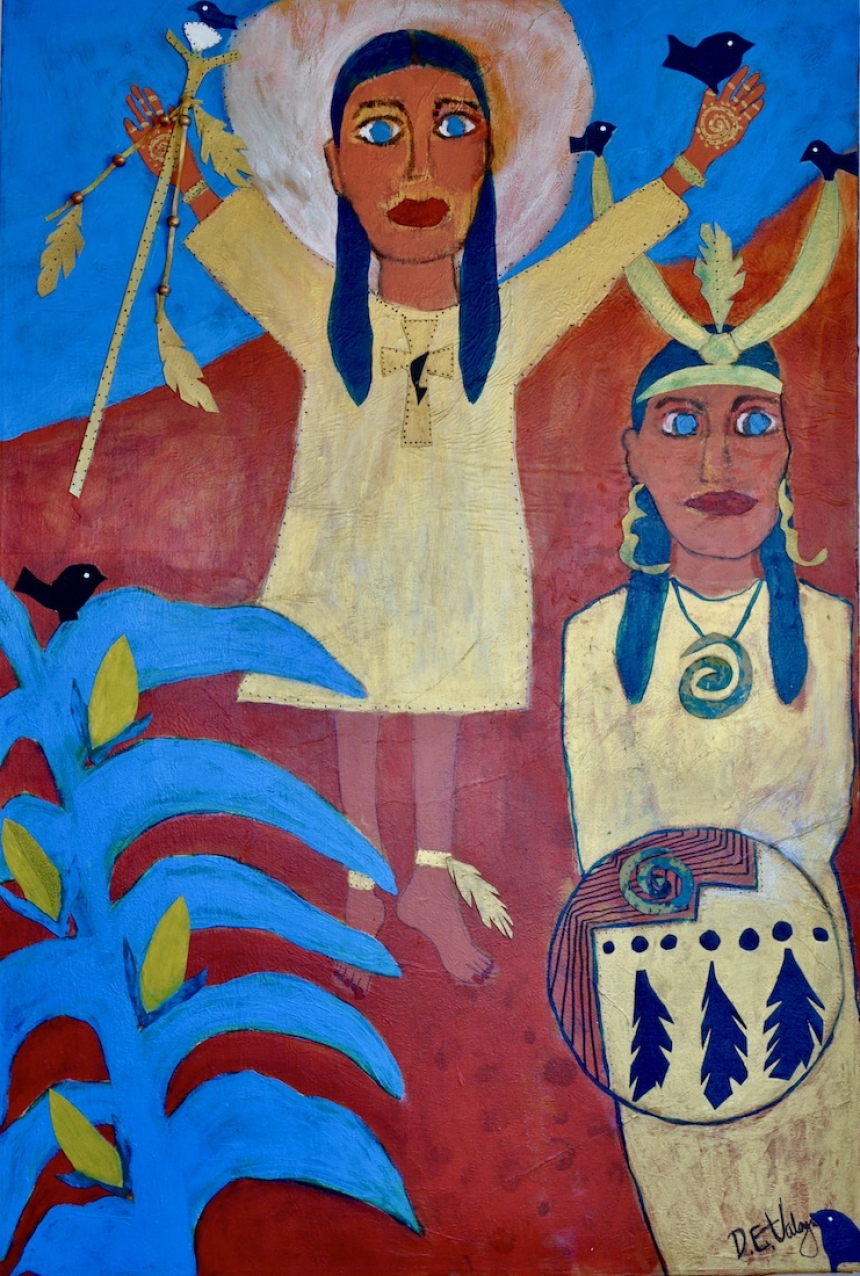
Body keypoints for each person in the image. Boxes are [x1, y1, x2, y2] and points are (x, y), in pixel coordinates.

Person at [124, 0, 764, 993]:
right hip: (347, 564)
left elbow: (596, 260)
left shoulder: (500, 327)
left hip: (458, 568)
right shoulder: (315, 312)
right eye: (380, 132)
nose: (418, 168)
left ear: (490, 161)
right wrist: (182, 170)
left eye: (452, 127)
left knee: (436, 706)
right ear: (334, 166)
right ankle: (359, 882)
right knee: (353, 706)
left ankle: (425, 881)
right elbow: (238, 242)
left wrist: (692, 163)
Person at [550, 209, 859, 1268]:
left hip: (797, 975)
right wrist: (701, 871)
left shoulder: (824, 629)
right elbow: (612, 839)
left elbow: (815, 813)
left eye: (748, 422)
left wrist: (710, 863)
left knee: (823, 1231)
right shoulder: (595, 644)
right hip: (652, 991)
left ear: (784, 450)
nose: (717, 456)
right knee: (705, 1241)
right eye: (679, 425)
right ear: (633, 454)